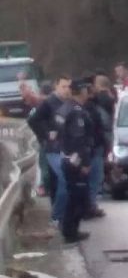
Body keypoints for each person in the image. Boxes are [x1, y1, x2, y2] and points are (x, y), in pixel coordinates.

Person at [28, 76, 72, 223]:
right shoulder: (49, 103)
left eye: (68, 87)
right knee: (64, 179)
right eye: (63, 86)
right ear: (56, 86)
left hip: (67, 148)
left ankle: (62, 214)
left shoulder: (69, 102)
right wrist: (45, 135)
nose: (66, 90)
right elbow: (33, 120)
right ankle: (57, 215)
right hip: (53, 149)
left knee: (60, 182)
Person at [58, 79, 95, 244]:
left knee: (74, 196)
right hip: (75, 161)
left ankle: (71, 230)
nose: (88, 92)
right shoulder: (76, 111)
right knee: (78, 197)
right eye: (86, 89)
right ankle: (70, 232)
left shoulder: (65, 108)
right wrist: (85, 163)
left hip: (66, 157)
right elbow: (79, 139)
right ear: (81, 91)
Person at [85, 75, 115, 218]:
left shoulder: (97, 102)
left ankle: (91, 204)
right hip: (93, 145)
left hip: (97, 144)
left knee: (97, 176)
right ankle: (89, 205)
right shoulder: (89, 106)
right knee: (94, 176)